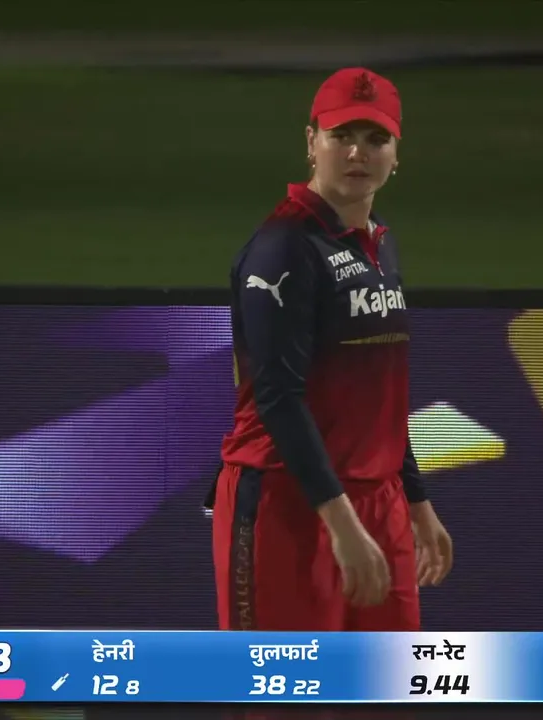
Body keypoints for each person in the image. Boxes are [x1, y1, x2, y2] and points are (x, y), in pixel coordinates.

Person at [206, 67, 454, 631]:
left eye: (376, 138)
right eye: (342, 135)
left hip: (379, 501)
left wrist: (416, 501)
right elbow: (277, 397)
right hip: (288, 502)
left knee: (388, 679)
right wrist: (342, 524)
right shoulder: (284, 248)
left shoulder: (379, 243)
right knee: (284, 682)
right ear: (311, 142)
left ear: (396, 154)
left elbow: (377, 396)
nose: (357, 153)